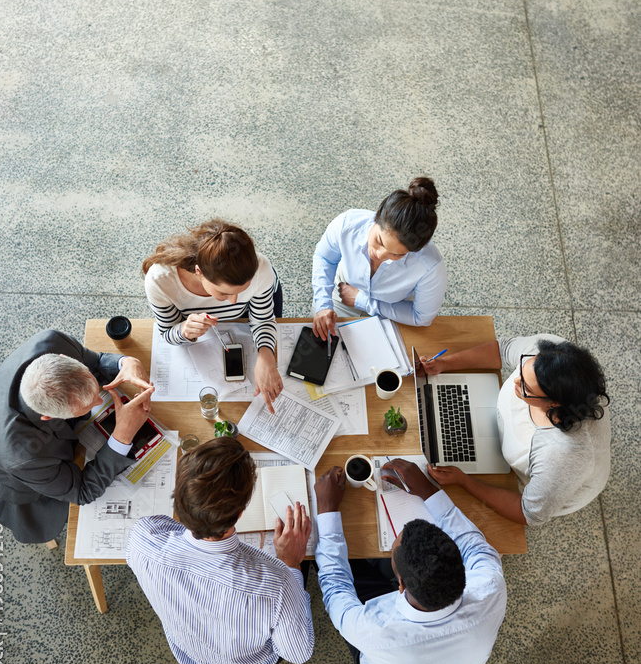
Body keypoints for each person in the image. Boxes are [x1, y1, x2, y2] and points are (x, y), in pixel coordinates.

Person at [314, 460, 506, 664]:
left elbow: (334, 585)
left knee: (347, 566)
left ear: (400, 584)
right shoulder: (491, 586)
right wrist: (427, 489)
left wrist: (327, 509)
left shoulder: (372, 630)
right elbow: (473, 543)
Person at [126, 437, 314, 664]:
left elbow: (170, 529)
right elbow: (298, 654)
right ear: (240, 514)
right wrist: (290, 564)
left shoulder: (143, 538)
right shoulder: (280, 584)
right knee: (307, 564)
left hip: (186, 650)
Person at [0, 329, 154, 544]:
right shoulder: (23, 457)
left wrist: (126, 363)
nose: (100, 401)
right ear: (48, 417)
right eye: (88, 405)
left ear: (63, 357)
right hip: (8, 478)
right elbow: (82, 492)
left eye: (95, 390)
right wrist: (122, 436)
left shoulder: (53, 341)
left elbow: (94, 361)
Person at [419, 335, 611, 526]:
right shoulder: (553, 356)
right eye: (522, 370)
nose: (515, 381)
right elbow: (502, 350)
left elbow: (529, 513)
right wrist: (444, 364)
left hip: (551, 484)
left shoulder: (564, 457)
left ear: (554, 403)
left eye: (525, 387)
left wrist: (464, 481)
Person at [142, 219, 283, 412]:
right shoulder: (160, 281)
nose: (234, 301)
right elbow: (167, 333)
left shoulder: (262, 269)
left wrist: (267, 354)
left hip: (245, 324)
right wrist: (183, 330)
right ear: (199, 272)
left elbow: (263, 319)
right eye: (224, 293)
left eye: (243, 290)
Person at [312, 176, 447, 341]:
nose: (381, 255)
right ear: (377, 218)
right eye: (379, 241)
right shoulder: (347, 224)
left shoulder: (430, 266)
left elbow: (421, 317)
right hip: (341, 294)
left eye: (397, 254)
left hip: (392, 311)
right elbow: (324, 258)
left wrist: (363, 300)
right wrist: (323, 305)